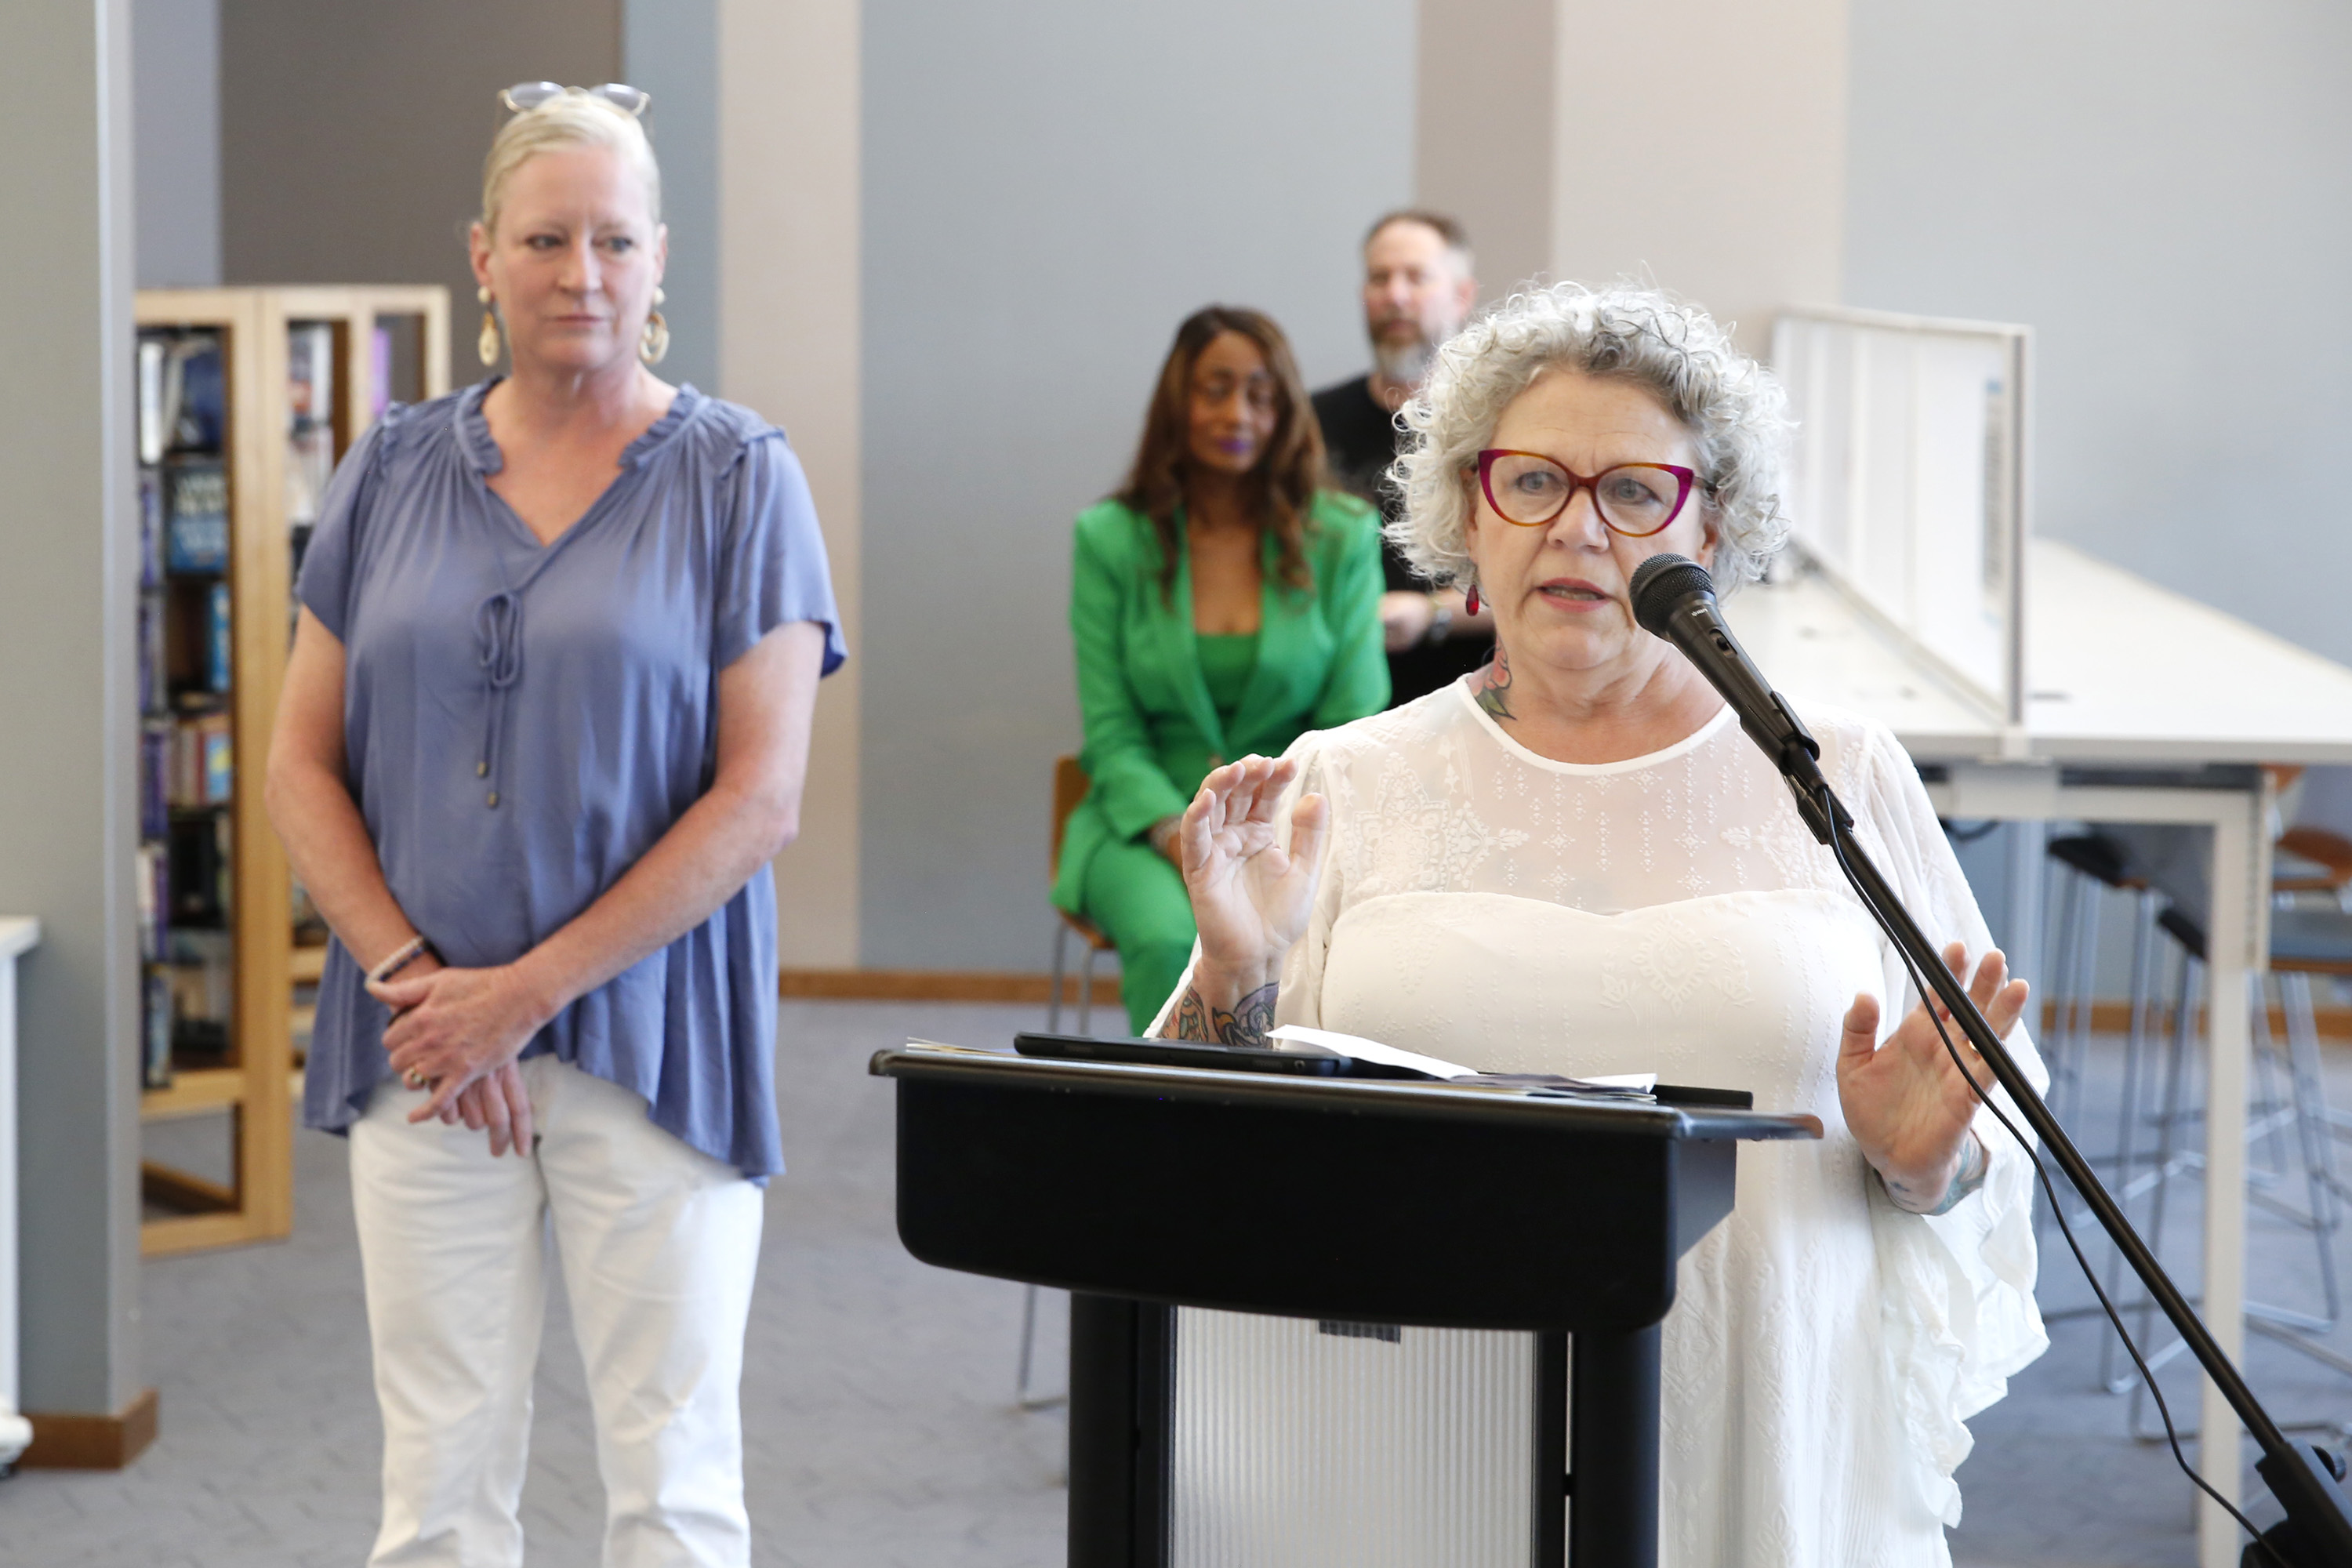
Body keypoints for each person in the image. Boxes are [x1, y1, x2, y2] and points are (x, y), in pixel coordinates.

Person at [1158, 283, 2048, 1565]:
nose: (1577, 527)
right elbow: (1184, 1157)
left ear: (1710, 527)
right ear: (1471, 511)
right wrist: (1237, 969)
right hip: (1418, 1448)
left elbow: (1984, 1156)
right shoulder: (1340, 782)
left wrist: (1921, 1167)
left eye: (1634, 491)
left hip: (1756, 1434)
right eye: (1533, 482)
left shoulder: (1835, 774)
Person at [264, 82, 844, 1567]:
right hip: (422, 1049)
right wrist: (420, 985)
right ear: (482, 256)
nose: (581, 274)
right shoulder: (389, 469)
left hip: (656, 1046)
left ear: (658, 261)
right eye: (544, 239)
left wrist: (522, 996)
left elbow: (760, 801)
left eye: (613, 240)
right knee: (437, 1488)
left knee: (672, 1483)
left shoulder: (740, 477)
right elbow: (298, 769)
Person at [1054, 306, 1388, 1036]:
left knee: (1321, 948)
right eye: (1215, 389)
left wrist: (1265, 834)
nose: (1238, 413)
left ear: (1285, 409)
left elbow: (1354, 718)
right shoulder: (1110, 538)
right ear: (1178, 401)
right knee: (1171, 940)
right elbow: (1111, 730)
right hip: (1144, 824)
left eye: (1261, 394)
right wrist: (1180, 834)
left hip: (1288, 824)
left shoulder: (1341, 535)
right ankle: (1171, 1106)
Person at [1309, 211, 1494, 703]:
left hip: (1472, 699)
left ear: (1462, 296)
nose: (1395, 295)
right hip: (1333, 704)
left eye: (1416, 277)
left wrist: (1431, 614)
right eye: (1379, 278)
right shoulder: (1310, 425)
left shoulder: (1499, 424)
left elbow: (1537, 580)